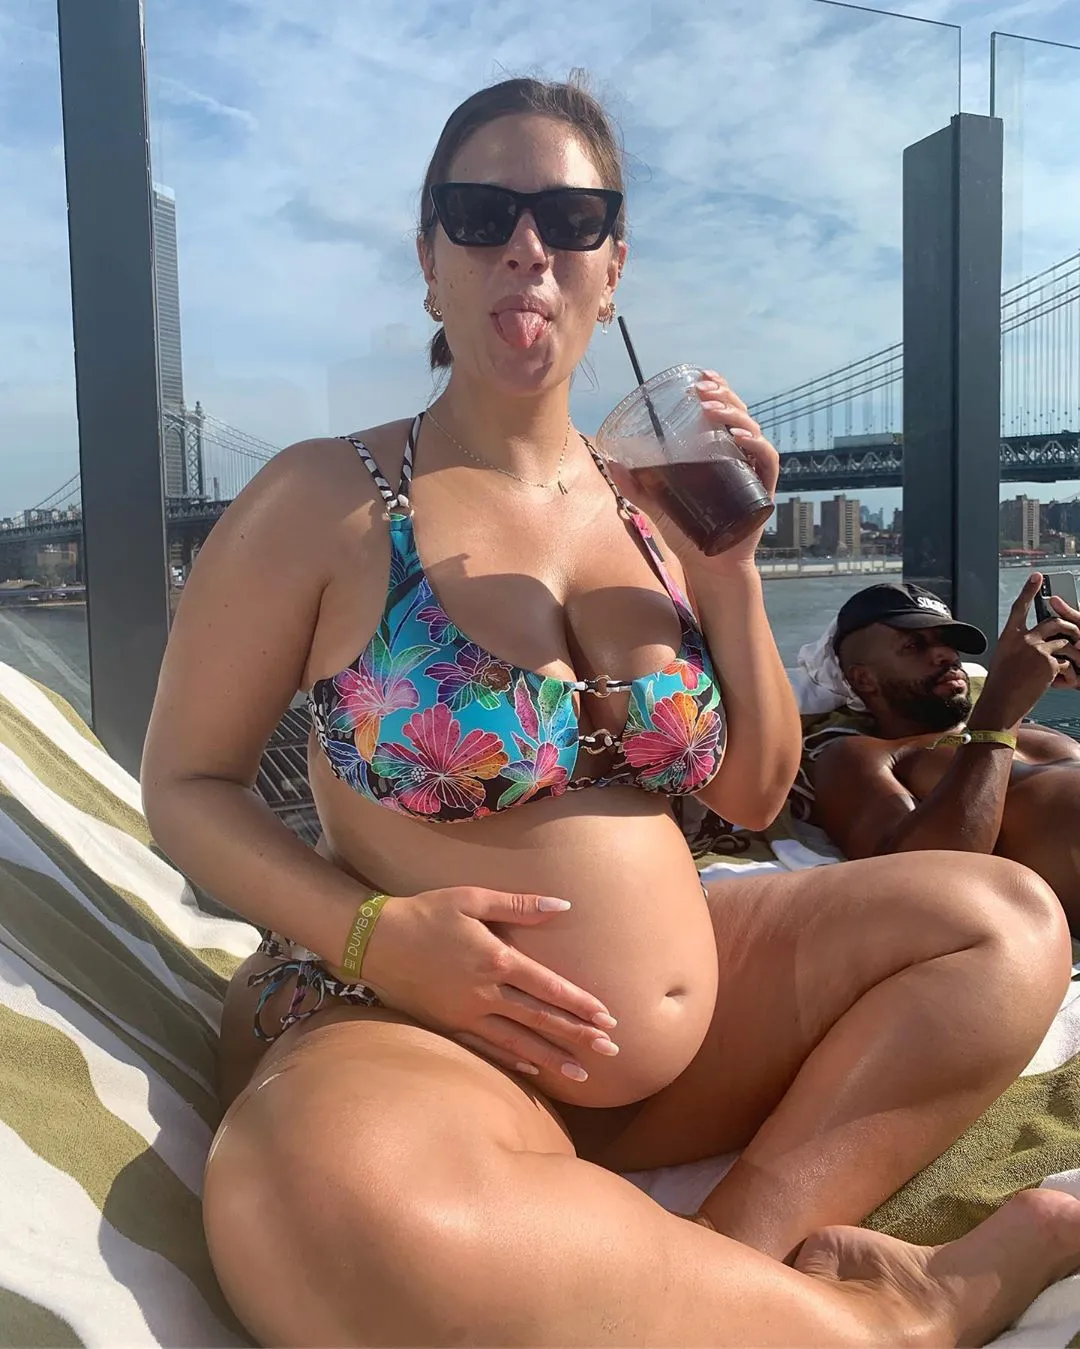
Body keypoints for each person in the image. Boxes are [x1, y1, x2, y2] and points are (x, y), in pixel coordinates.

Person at [141, 75, 1080, 1348]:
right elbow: (186, 784)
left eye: (571, 219)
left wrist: (732, 573)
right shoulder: (327, 499)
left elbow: (752, 793)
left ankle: (723, 1264)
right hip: (414, 1021)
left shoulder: (655, 509)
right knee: (316, 1207)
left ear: (612, 268)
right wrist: (376, 934)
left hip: (681, 1052)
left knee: (1004, 920)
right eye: (481, 213)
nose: (527, 245)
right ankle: (896, 1317)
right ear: (429, 262)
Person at [809, 576, 1080, 931]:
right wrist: (1000, 708)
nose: (946, 655)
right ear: (863, 679)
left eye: (949, 644)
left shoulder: (1030, 730)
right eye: (914, 645)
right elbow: (915, 880)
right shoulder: (862, 754)